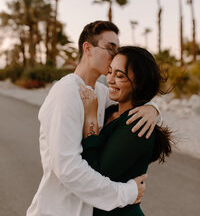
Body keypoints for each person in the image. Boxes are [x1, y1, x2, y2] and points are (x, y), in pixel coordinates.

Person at [27, 21, 160, 216]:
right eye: (110, 48)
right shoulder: (66, 93)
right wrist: (127, 192)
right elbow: (68, 168)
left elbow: (132, 98)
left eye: (118, 49)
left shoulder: (100, 92)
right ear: (87, 48)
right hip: (60, 209)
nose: (115, 56)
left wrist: (152, 108)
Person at [80, 46, 173, 216]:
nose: (110, 79)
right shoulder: (111, 111)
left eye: (120, 76)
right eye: (110, 72)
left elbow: (95, 174)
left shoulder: (137, 125)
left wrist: (91, 119)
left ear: (139, 83)